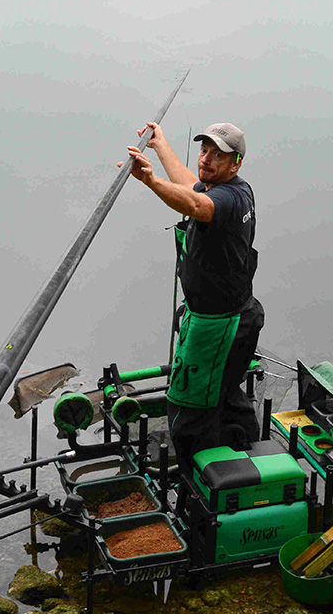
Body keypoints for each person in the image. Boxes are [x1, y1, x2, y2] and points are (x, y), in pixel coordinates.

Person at [121, 121, 264, 473]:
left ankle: (194, 490)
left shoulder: (228, 199)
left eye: (219, 155)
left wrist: (151, 181)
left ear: (236, 163)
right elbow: (191, 184)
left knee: (188, 412)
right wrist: (161, 144)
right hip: (239, 315)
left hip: (217, 327)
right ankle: (248, 457)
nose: (207, 159)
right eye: (205, 151)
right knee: (228, 396)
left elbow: (197, 204)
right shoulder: (229, 188)